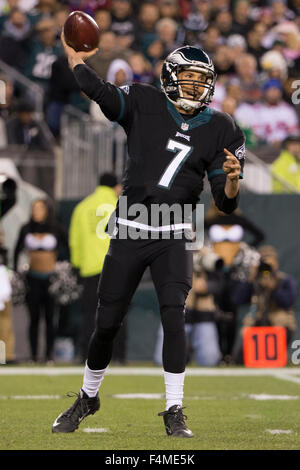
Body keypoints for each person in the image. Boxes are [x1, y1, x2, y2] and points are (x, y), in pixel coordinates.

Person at [52, 37, 245, 438]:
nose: (196, 86)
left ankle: (174, 408)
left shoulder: (222, 127)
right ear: (171, 78)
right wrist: (76, 63)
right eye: (189, 78)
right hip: (132, 224)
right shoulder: (143, 101)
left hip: (176, 227)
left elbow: (225, 205)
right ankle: (88, 396)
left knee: (174, 314)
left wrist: (231, 182)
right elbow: (101, 92)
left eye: (202, 80)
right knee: (106, 323)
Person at [69, 173, 122, 361]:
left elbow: (74, 241)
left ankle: (87, 354)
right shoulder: (120, 205)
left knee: (90, 314)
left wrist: (77, 265)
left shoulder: (82, 207)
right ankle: (116, 356)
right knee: (117, 312)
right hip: (116, 267)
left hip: (90, 268)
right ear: (116, 187)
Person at [14, 198, 69, 363]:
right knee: (34, 318)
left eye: (40, 208)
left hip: (51, 279)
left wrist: (61, 269)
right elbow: (17, 251)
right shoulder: (26, 228)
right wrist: (16, 273)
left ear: (47, 210)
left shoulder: (56, 228)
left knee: (50, 317)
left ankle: (48, 356)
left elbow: (67, 250)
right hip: (32, 278)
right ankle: (33, 355)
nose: (36, 211)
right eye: (34, 208)